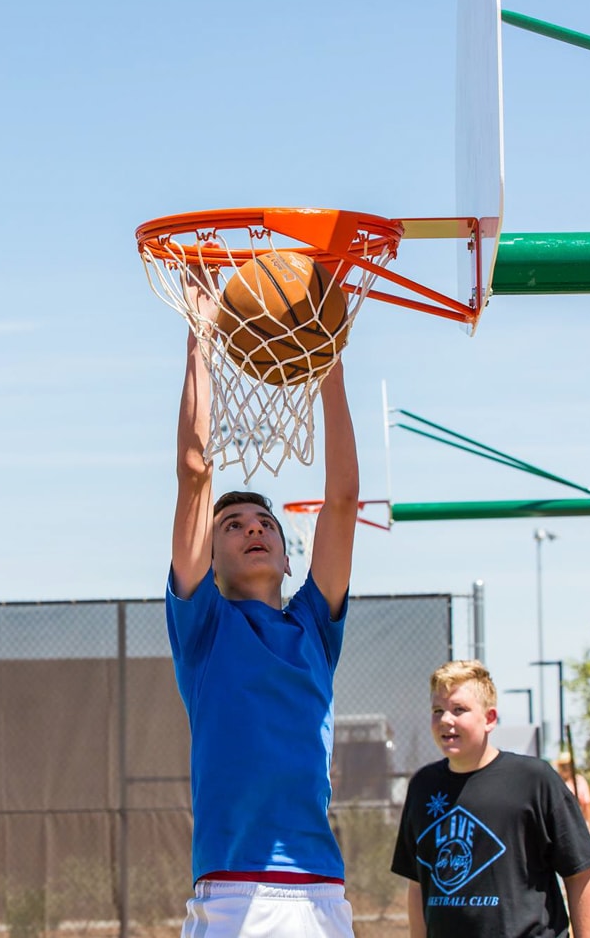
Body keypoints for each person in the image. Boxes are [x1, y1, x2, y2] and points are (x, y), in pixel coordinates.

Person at [167, 268, 360, 938]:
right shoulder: (205, 631)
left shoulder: (314, 625)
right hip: (232, 894)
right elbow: (196, 471)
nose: (252, 527)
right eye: (232, 525)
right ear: (209, 559)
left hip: (320, 895)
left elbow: (342, 501)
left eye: (264, 523)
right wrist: (200, 335)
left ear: (285, 553)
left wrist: (326, 354)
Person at [390, 661, 590, 938]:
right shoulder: (422, 786)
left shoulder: (534, 779)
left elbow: (580, 873)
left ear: (489, 718)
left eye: (459, 710)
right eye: (437, 710)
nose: (445, 720)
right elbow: (417, 883)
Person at [554, 753, 590, 831]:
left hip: (579, 823)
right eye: (563, 765)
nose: (565, 768)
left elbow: (587, 804)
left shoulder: (580, 781)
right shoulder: (555, 782)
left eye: (567, 765)